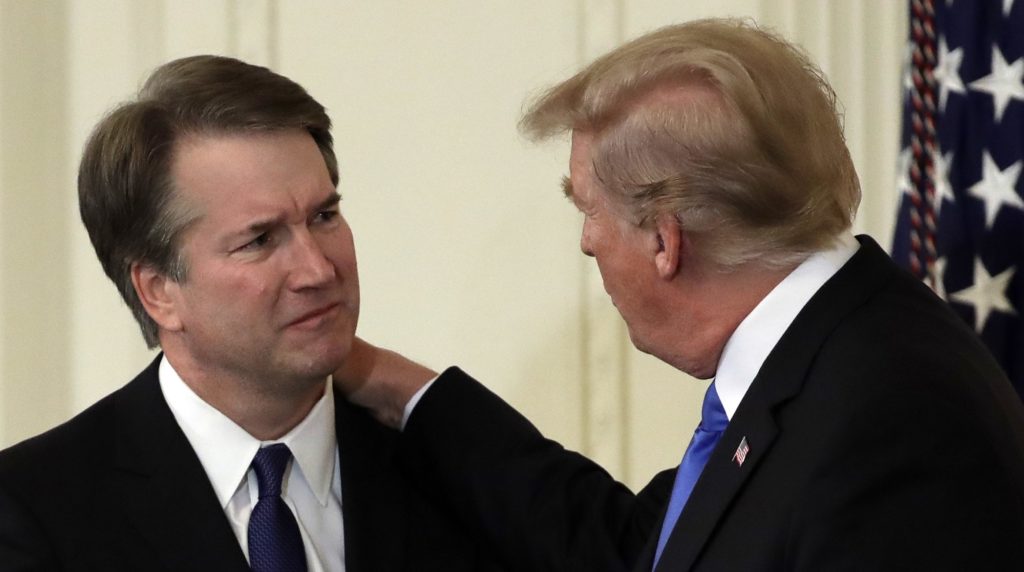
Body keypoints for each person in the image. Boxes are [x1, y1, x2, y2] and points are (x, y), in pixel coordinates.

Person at [337, 18, 1024, 571]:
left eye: (586, 207)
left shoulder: (887, 421)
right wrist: (396, 386)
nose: (585, 242)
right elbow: (651, 545)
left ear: (666, 241)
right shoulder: (833, 346)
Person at [0, 55, 502, 572]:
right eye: (259, 240)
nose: (317, 270)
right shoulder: (34, 512)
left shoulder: (459, 474)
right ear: (159, 292)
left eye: (324, 216)